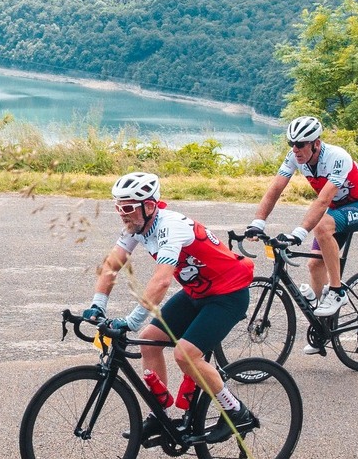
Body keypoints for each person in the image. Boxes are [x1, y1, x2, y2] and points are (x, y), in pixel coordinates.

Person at [84, 171, 256, 444]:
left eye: (128, 208)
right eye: (118, 207)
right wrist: (97, 304)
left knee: (185, 355)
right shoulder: (136, 226)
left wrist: (132, 320)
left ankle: (236, 411)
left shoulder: (170, 227)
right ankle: (160, 415)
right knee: (149, 342)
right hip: (197, 292)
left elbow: (162, 281)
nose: (122, 215)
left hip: (228, 294)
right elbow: (113, 264)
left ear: (149, 206)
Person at [245, 115, 358, 338]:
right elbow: (275, 189)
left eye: (300, 144)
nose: (295, 149)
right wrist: (257, 222)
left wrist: (299, 233)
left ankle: (337, 291)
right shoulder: (294, 157)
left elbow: (323, 201)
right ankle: (323, 330)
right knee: (314, 265)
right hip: (340, 209)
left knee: (321, 227)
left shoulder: (337, 158)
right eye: (291, 143)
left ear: (316, 144)